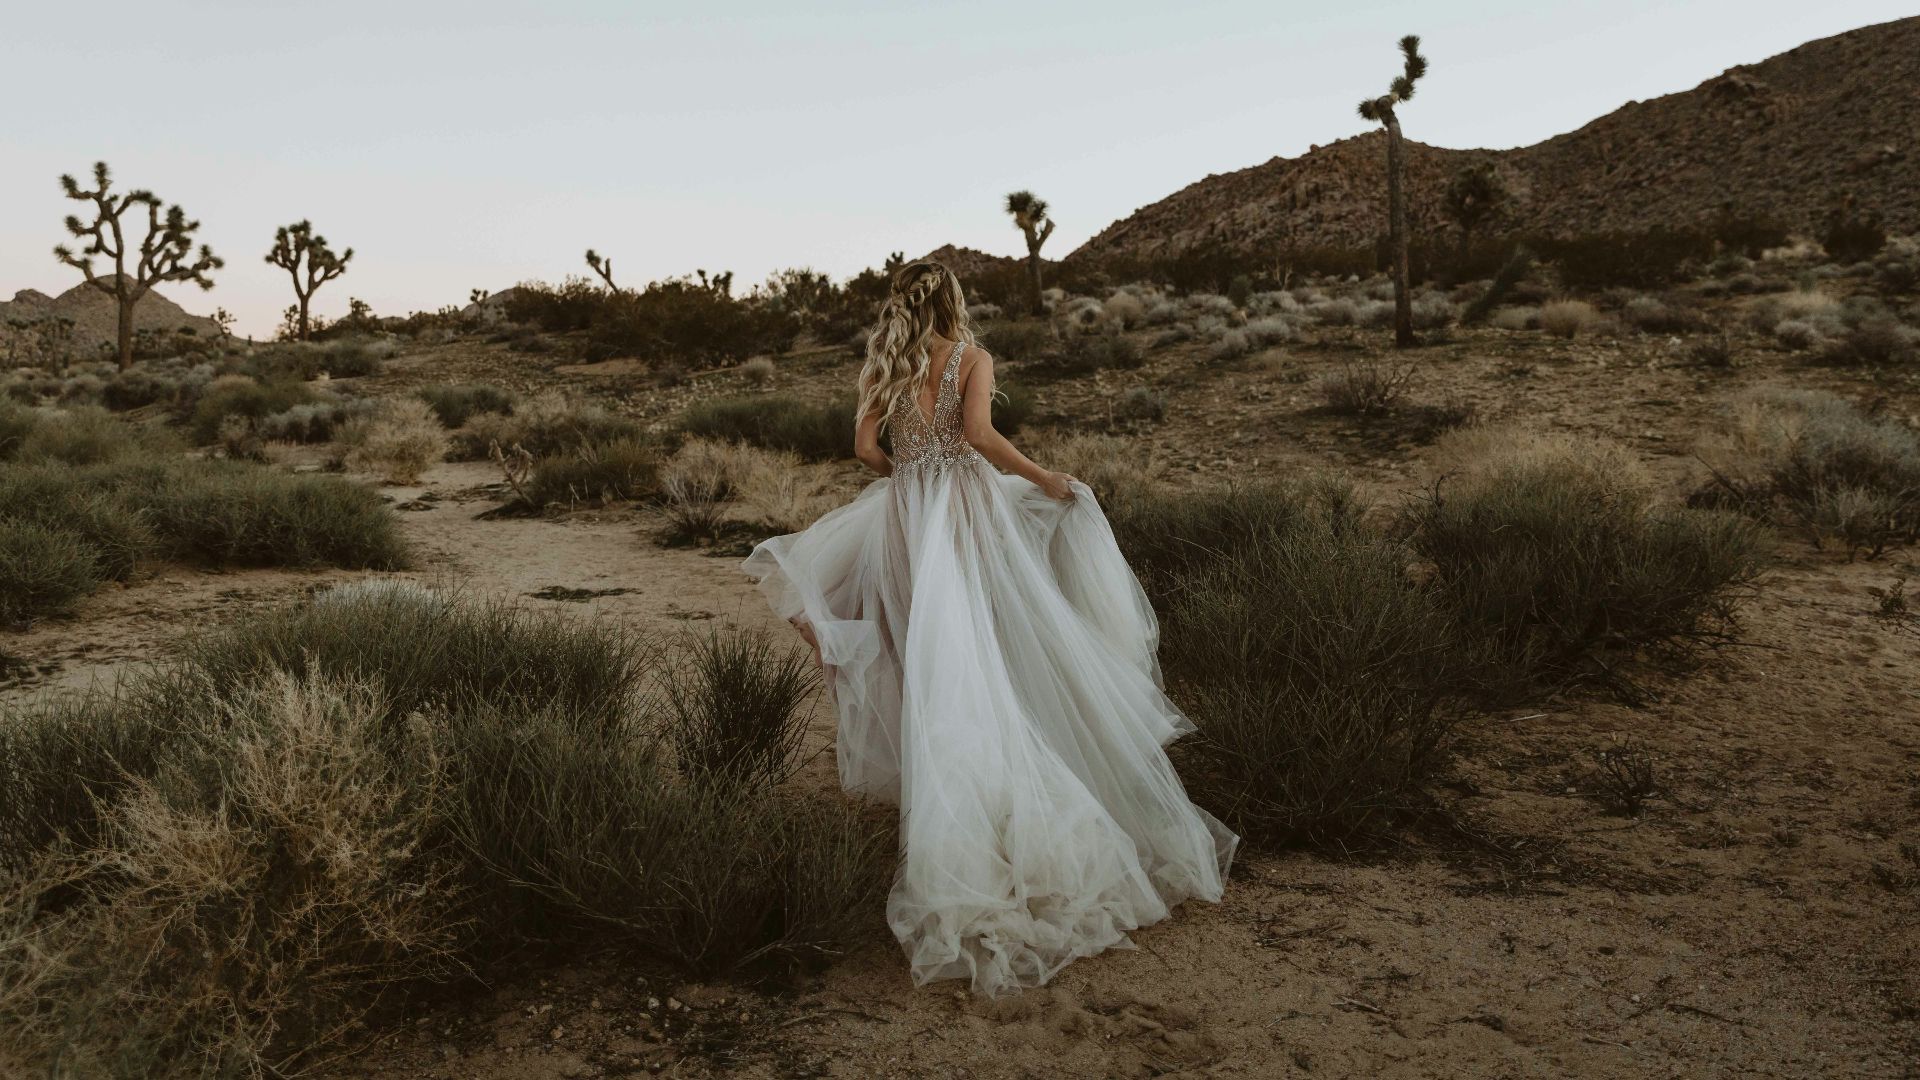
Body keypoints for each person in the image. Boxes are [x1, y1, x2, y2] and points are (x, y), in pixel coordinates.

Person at [743, 260, 1235, 996]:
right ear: (953, 301)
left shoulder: (886, 362)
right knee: (982, 647)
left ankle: (947, 794)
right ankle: (997, 806)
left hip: (909, 517)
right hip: (966, 514)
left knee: (932, 652)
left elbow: (864, 450)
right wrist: (1044, 480)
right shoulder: (971, 358)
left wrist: (909, 477)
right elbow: (978, 435)